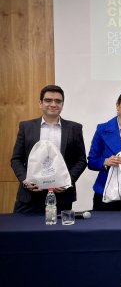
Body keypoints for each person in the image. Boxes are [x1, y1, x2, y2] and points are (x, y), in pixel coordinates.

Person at [11, 85, 87, 214]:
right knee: (23, 233)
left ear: (62, 105)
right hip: (29, 197)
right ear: (40, 103)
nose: (53, 104)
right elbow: (16, 159)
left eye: (58, 101)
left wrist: (67, 181)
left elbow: (81, 160)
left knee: (58, 234)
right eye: (48, 100)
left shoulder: (74, 128)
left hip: (62, 197)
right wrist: (26, 180)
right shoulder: (26, 127)